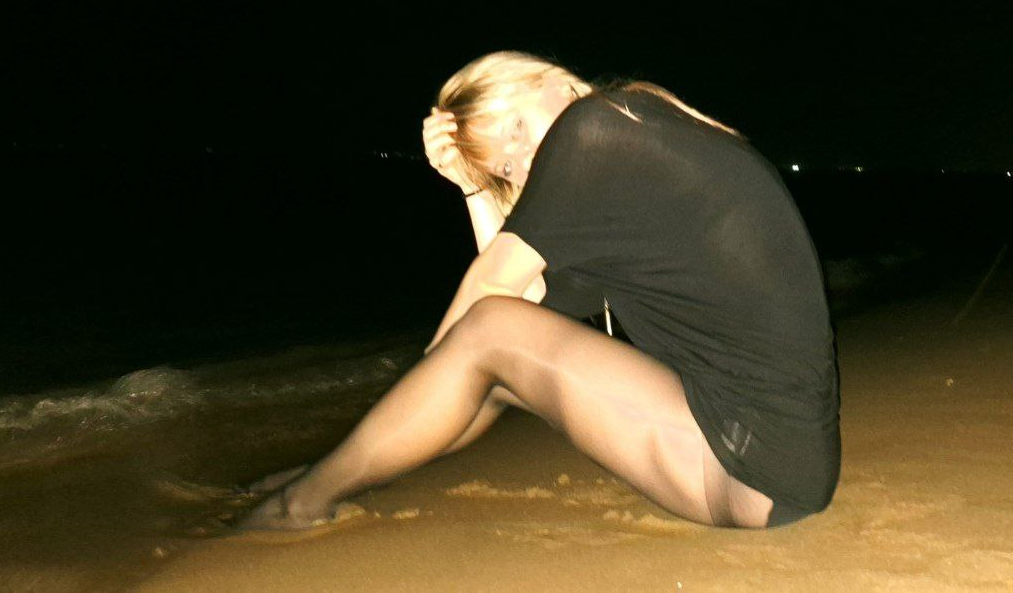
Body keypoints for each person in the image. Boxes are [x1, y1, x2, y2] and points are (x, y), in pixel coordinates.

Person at [235, 50, 840, 531]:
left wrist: (430, 372)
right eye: (505, 167)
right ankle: (331, 473)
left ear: (550, 80)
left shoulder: (594, 127)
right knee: (495, 362)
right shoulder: (631, 152)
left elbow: (492, 299)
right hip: (775, 462)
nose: (524, 159)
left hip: (746, 469)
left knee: (485, 336)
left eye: (517, 127)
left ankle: (298, 505)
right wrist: (475, 189)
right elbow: (529, 304)